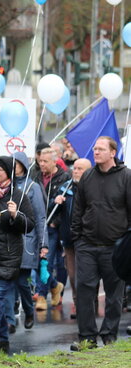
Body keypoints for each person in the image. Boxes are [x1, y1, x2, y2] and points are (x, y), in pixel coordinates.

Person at [70, 137, 131, 350]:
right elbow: (78, 209)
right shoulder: (87, 177)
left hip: (115, 245)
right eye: (95, 148)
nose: (96, 152)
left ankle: (109, 335)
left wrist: (126, 242)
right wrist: (77, 237)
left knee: (114, 294)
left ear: (113, 152)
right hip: (87, 244)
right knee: (84, 291)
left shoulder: (126, 177)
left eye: (101, 149)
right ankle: (86, 337)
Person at [0, 157, 35, 356]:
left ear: (8, 173)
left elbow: (30, 224)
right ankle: (2, 338)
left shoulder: (19, 196)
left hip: (9, 256)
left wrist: (15, 216)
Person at [48, 158, 91, 319]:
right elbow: (53, 212)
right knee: (73, 275)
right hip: (69, 239)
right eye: (75, 168)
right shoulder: (65, 188)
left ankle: (86, 303)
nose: (76, 171)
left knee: (86, 274)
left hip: (87, 239)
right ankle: (77, 302)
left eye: (80, 169)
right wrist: (55, 202)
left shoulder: (91, 189)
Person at [9, 152, 46, 331]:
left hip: (27, 241)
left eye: (18, 163)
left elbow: (40, 217)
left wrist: (43, 244)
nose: (14, 166)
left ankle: (28, 310)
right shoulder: (6, 185)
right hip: (8, 241)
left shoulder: (33, 187)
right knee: (8, 281)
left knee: (22, 281)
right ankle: (10, 314)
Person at [37, 147, 71, 309]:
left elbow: (67, 204)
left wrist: (55, 222)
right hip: (39, 223)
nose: (42, 164)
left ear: (54, 162)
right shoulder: (36, 175)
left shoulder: (65, 177)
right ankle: (54, 286)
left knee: (52, 261)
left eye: (45, 161)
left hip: (54, 225)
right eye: (40, 161)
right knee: (42, 260)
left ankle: (43, 295)